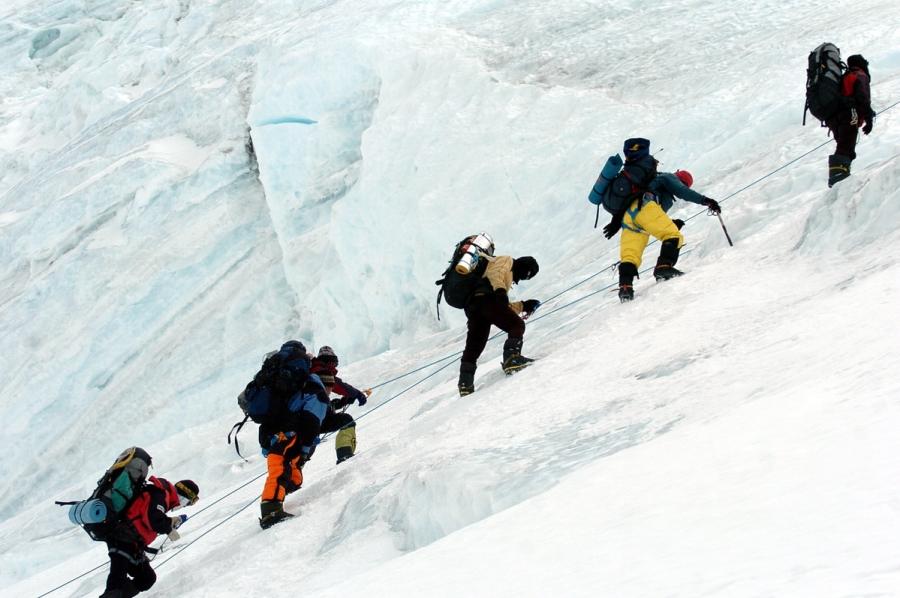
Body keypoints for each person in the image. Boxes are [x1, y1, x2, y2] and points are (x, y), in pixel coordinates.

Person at [602, 146, 721, 301]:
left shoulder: (656, 186)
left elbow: (652, 220)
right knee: (673, 235)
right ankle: (664, 268)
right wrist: (706, 201)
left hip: (628, 218)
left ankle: (625, 288)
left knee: (630, 255)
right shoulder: (668, 177)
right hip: (643, 207)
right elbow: (682, 192)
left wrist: (670, 222)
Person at [256, 340, 331, 529]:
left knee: (289, 472)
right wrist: (306, 448)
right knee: (281, 466)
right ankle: (271, 510)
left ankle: (280, 493)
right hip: (290, 430)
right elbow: (313, 417)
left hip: (268, 430)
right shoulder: (308, 380)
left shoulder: (271, 375)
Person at [100, 478, 199, 598]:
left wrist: (169, 523)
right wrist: (169, 527)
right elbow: (155, 520)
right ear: (184, 498)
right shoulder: (161, 494)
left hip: (131, 542)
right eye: (187, 503)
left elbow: (150, 517)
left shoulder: (161, 496)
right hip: (122, 537)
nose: (183, 506)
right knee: (116, 583)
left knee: (146, 577)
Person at [457, 255, 540, 396]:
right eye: (527, 276)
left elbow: (502, 308)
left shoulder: (499, 281)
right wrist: (501, 291)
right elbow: (496, 274)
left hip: (474, 306)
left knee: (475, 345)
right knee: (517, 325)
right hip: (486, 300)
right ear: (525, 268)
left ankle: (465, 384)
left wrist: (523, 305)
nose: (521, 280)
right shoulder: (507, 260)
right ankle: (512, 359)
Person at [309, 345, 370, 464]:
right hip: (313, 420)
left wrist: (340, 403)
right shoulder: (321, 371)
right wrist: (357, 394)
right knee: (347, 421)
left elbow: (315, 401)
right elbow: (340, 386)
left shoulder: (310, 372)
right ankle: (344, 455)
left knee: (301, 453)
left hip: (301, 418)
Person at [826, 54, 874, 187]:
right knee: (846, 147)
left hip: (836, 117)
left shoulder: (845, 76)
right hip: (849, 114)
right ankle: (839, 181)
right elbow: (862, 97)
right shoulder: (859, 75)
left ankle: (839, 181)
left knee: (844, 146)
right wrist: (869, 118)